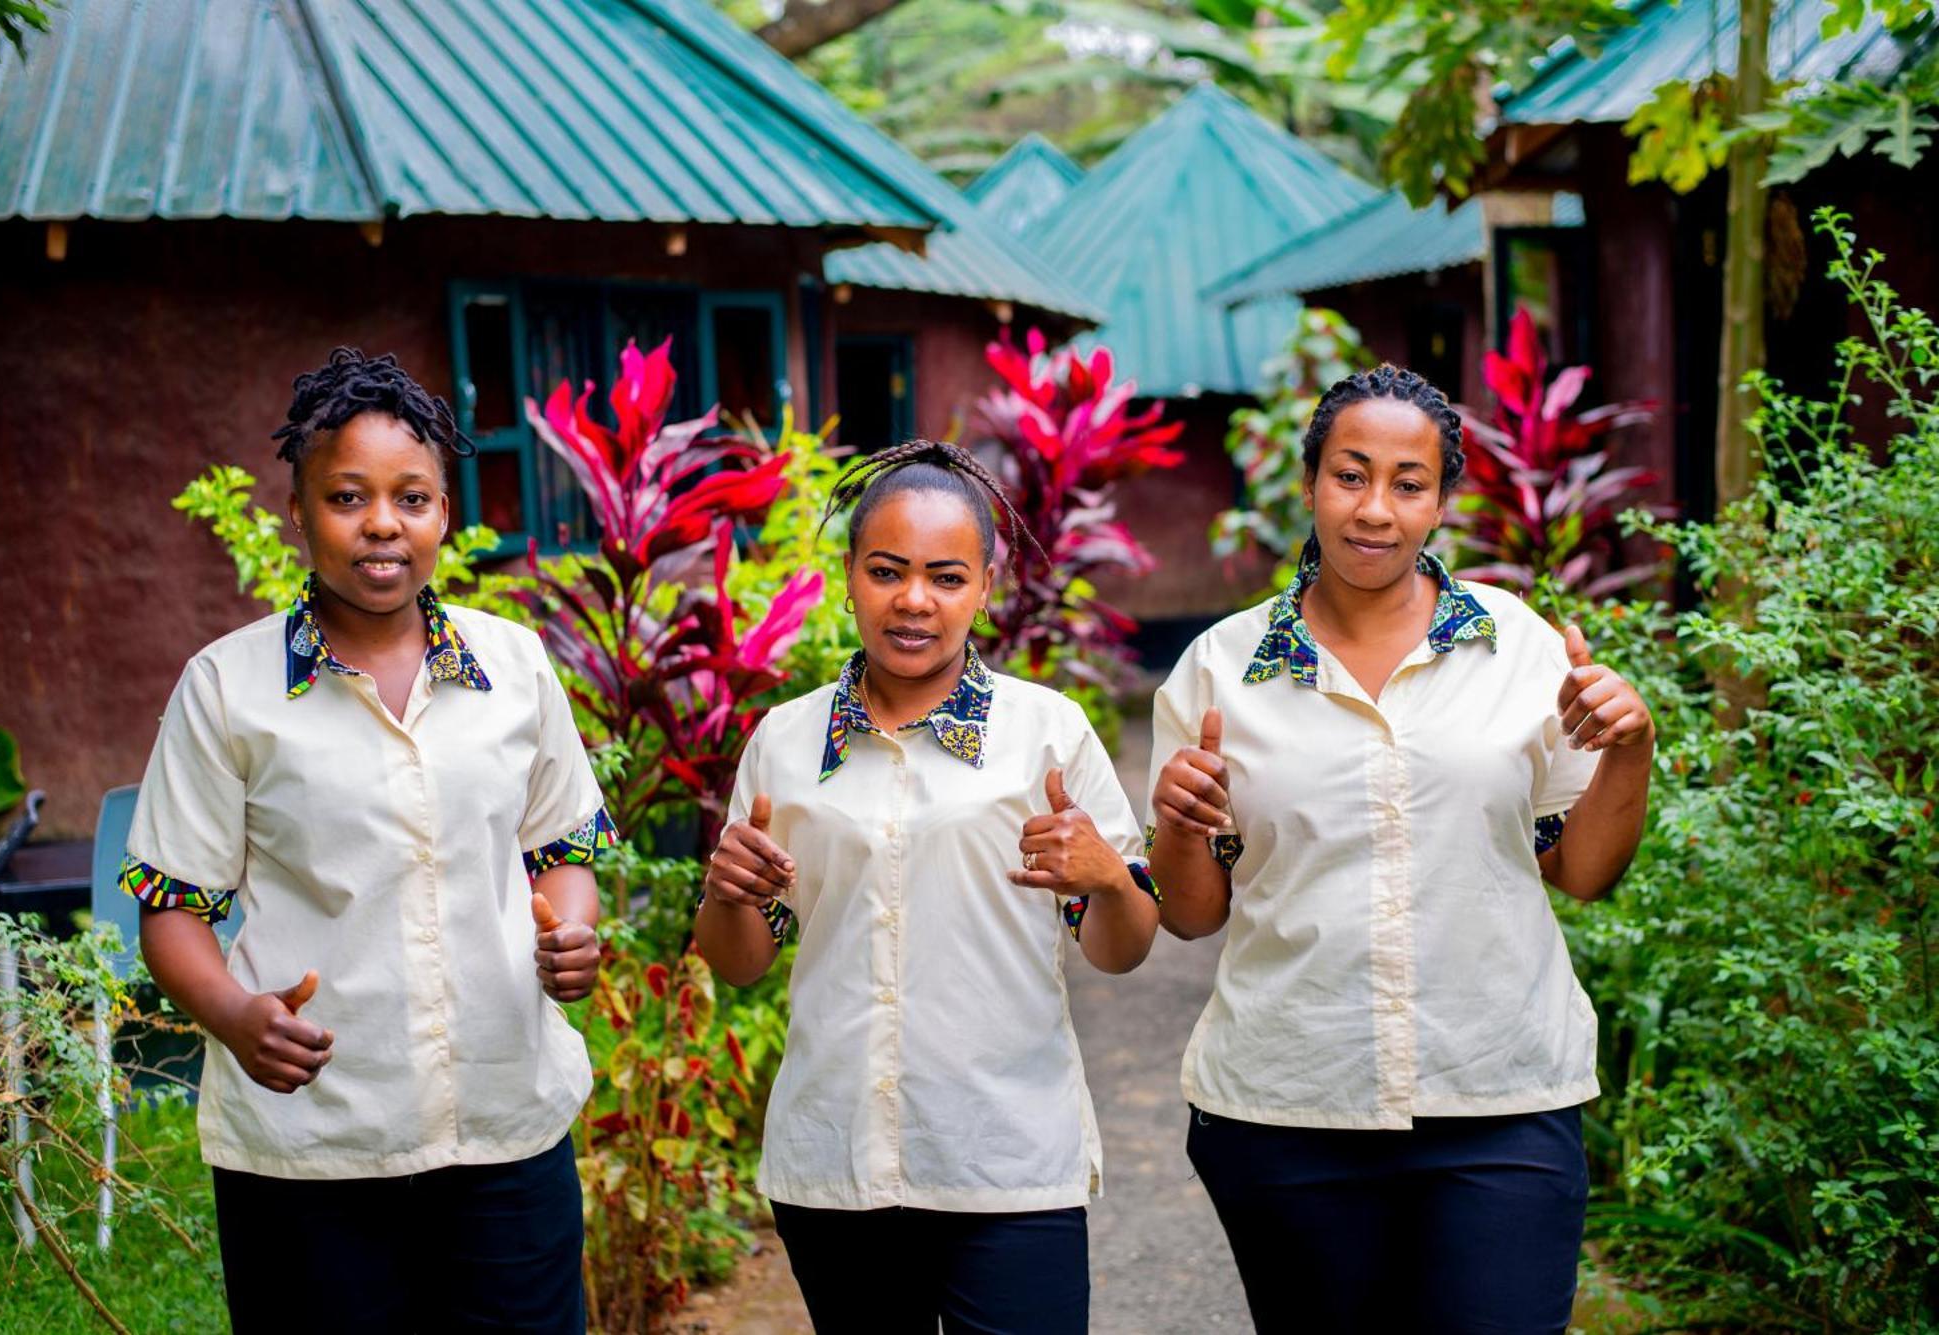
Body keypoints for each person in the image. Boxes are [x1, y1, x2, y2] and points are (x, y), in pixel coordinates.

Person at [1147, 366, 1654, 1333]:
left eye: (1407, 482)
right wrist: (1176, 824)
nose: (1375, 508)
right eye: (1350, 474)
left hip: (1500, 1096)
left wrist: (1633, 746)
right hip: (1289, 1106)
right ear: (1307, 485)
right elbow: (1192, 910)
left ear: (1441, 502)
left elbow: (1585, 869)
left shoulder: (1521, 649)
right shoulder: (1219, 670)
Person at [122, 348, 610, 1334]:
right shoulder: (227, 689)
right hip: (313, 1151)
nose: (382, 524)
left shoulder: (513, 668)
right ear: (298, 515)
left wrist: (572, 934)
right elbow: (170, 903)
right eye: (348, 497)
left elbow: (560, 849)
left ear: (442, 515)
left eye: (412, 497)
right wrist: (233, 1015)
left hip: (505, 1129)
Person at [693, 440, 1161, 1334]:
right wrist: (726, 895)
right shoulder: (786, 744)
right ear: (850, 577)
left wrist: (1107, 878)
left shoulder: (1045, 734)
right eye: (887, 571)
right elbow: (741, 961)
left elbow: (1121, 946)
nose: (914, 600)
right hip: (839, 1163)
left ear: (986, 584)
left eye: (946, 577)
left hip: (1007, 1160)